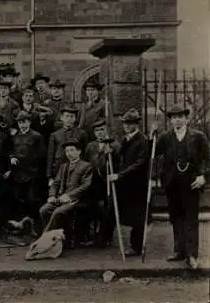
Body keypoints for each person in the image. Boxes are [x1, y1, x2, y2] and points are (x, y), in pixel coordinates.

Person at [150, 105, 209, 269]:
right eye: (173, 117)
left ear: (186, 119)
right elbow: (152, 152)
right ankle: (179, 250)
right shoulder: (165, 137)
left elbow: (207, 158)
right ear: (170, 120)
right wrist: (152, 135)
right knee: (176, 217)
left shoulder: (198, 137)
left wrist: (203, 176)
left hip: (191, 183)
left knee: (191, 218)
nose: (177, 119)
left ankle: (191, 255)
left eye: (180, 116)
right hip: (171, 183)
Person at [107, 108, 149, 257]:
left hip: (137, 184)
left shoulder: (142, 140)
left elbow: (140, 164)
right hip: (125, 184)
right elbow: (121, 159)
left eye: (130, 123)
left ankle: (136, 247)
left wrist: (120, 175)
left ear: (136, 124)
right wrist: (110, 152)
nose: (126, 126)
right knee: (117, 209)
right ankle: (105, 239)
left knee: (138, 216)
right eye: (125, 123)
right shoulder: (125, 139)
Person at [39, 139, 92, 239]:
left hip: (77, 200)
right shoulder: (63, 166)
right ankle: (56, 237)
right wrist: (52, 195)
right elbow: (55, 183)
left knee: (58, 212)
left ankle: (46, 238)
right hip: (60, 199)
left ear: (79, 151)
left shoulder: (86, 166)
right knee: (44, 210)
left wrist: (70, 196)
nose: (68, 153)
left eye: (71, 150)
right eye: (67, 151)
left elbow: (86, 186)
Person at [83, 119, 121, 248]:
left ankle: (107, 236)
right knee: (94, 208)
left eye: (102, 130)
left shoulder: (114, 145)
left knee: (108, 209)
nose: (99, 133)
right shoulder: (90, 146)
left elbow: (119, 163)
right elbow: (87, 162)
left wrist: (112, 154)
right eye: (97, 130)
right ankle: (95, 233)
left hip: (109, 181)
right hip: (94, 182)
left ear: (107, 130)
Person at [9, 111, 46, 227]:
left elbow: (42, 156)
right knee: (20, 199)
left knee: (33, 200)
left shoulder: (36, 136)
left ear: (29, 122)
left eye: (24, 122)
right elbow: (11, 151)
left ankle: (35, 225)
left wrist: (35, 171)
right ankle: (23, 224)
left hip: (32, 174)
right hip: (18, 174)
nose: (22, 125)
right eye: (20, 122)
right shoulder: (15, 136)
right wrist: (12, 157)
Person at [47, 106, 88, 186]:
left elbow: (85, 153)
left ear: (75, 119)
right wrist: (49, 176)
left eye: (72, 116)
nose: (69, 119)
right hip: (58, 169)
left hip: (76, 169)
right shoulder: (55, 135)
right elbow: (50, 156)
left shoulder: (82, 134)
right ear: (61, 117)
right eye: (67, 116)